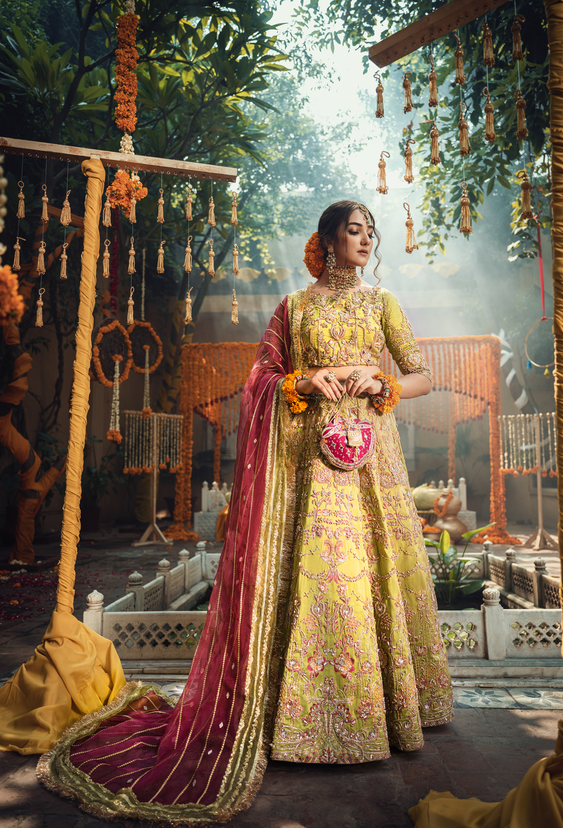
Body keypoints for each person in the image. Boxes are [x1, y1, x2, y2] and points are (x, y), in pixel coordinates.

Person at [39, 201, 452, 822]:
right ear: (328, 239)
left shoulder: (382, 304)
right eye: (354, 230)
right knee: (313, 580)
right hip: (309, 470)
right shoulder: (296, 308)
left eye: (372, 232)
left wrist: (380, 382)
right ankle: (293, 720)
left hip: (372, 467)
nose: (366, 240)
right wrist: (304, 382)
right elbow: (264, 377)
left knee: (371, 577)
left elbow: (422, 377)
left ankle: (383, 712)